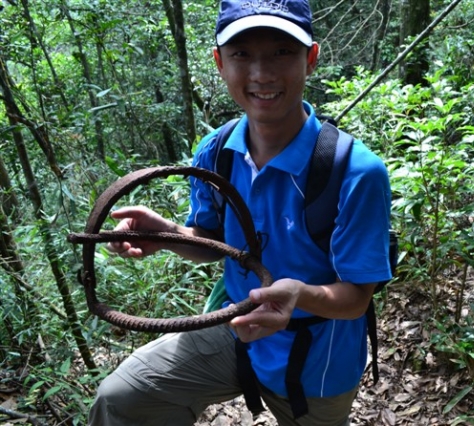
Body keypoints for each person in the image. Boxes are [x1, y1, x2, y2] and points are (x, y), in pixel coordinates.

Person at [87, 0, 391, 425]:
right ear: (219, 63)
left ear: (311, 59)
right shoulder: (216, 152)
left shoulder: (354, 171)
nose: (262, 73)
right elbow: (215, 244)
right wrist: (168, 234)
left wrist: (298, 295)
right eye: (241, 54)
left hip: (317, 358)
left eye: (282, 52)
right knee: (122, 399)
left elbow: (357, 298)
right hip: (232, 327)